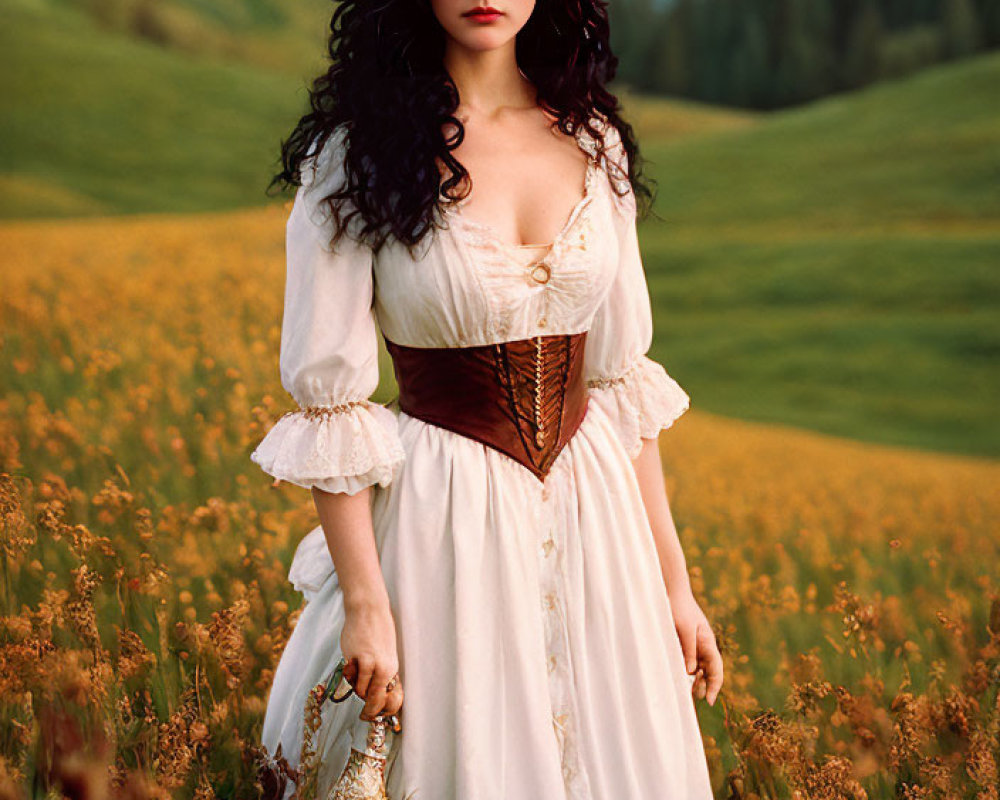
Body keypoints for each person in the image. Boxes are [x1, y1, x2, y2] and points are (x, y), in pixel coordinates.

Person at [250, 0, 723, 797]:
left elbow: (617, 386)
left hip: (598, 523)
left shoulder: (592, 140)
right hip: (443, 526)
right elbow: (329, 407)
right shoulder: (356, 155)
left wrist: (674, 586)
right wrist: (367, 605)